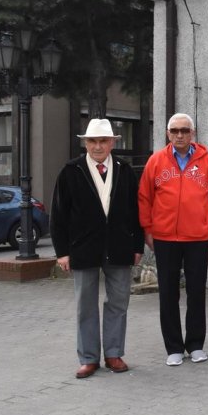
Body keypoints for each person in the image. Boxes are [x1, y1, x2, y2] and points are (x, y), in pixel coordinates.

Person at [50, 119, 144, 379]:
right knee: (85, 305)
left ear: (113, 142)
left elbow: (134, 212)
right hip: (82, 248)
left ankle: (113, 353)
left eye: (103, 141)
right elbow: (58, 215)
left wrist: (137, 245)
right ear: (86, 143)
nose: (98, 146)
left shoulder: (125, 170)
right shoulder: (71, 171)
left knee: (118, 302)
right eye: (93, 141)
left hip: (119, 247)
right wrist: (62, 252)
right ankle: (89, 358)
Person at [138, 113, 208, 366]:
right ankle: (174, 347)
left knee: (197, 292)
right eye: (175, 130)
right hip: (165, 238)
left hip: (198, 238)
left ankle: (196, 345)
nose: (180, 135)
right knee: (168, 294)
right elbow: (144, 198)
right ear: (168, 133)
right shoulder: (156, 162)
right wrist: (148, 229)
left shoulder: (207, 162)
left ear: (193, 133)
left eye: (184, 131)